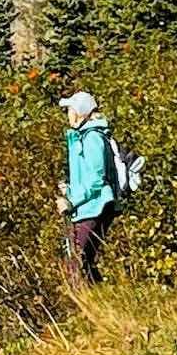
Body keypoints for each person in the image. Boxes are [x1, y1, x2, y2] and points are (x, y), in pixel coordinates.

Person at [58, 91, 116, 285]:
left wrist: (71, 200)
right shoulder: (84, 136)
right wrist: (70, 190)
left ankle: (83, 302)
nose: (67, 114)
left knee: (75, 260)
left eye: (69, 109)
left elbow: (96, 180)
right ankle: (100, 299)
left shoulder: (92, 138)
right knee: (84, 260)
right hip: (89, 206)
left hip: (94, 207)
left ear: (80, 112)